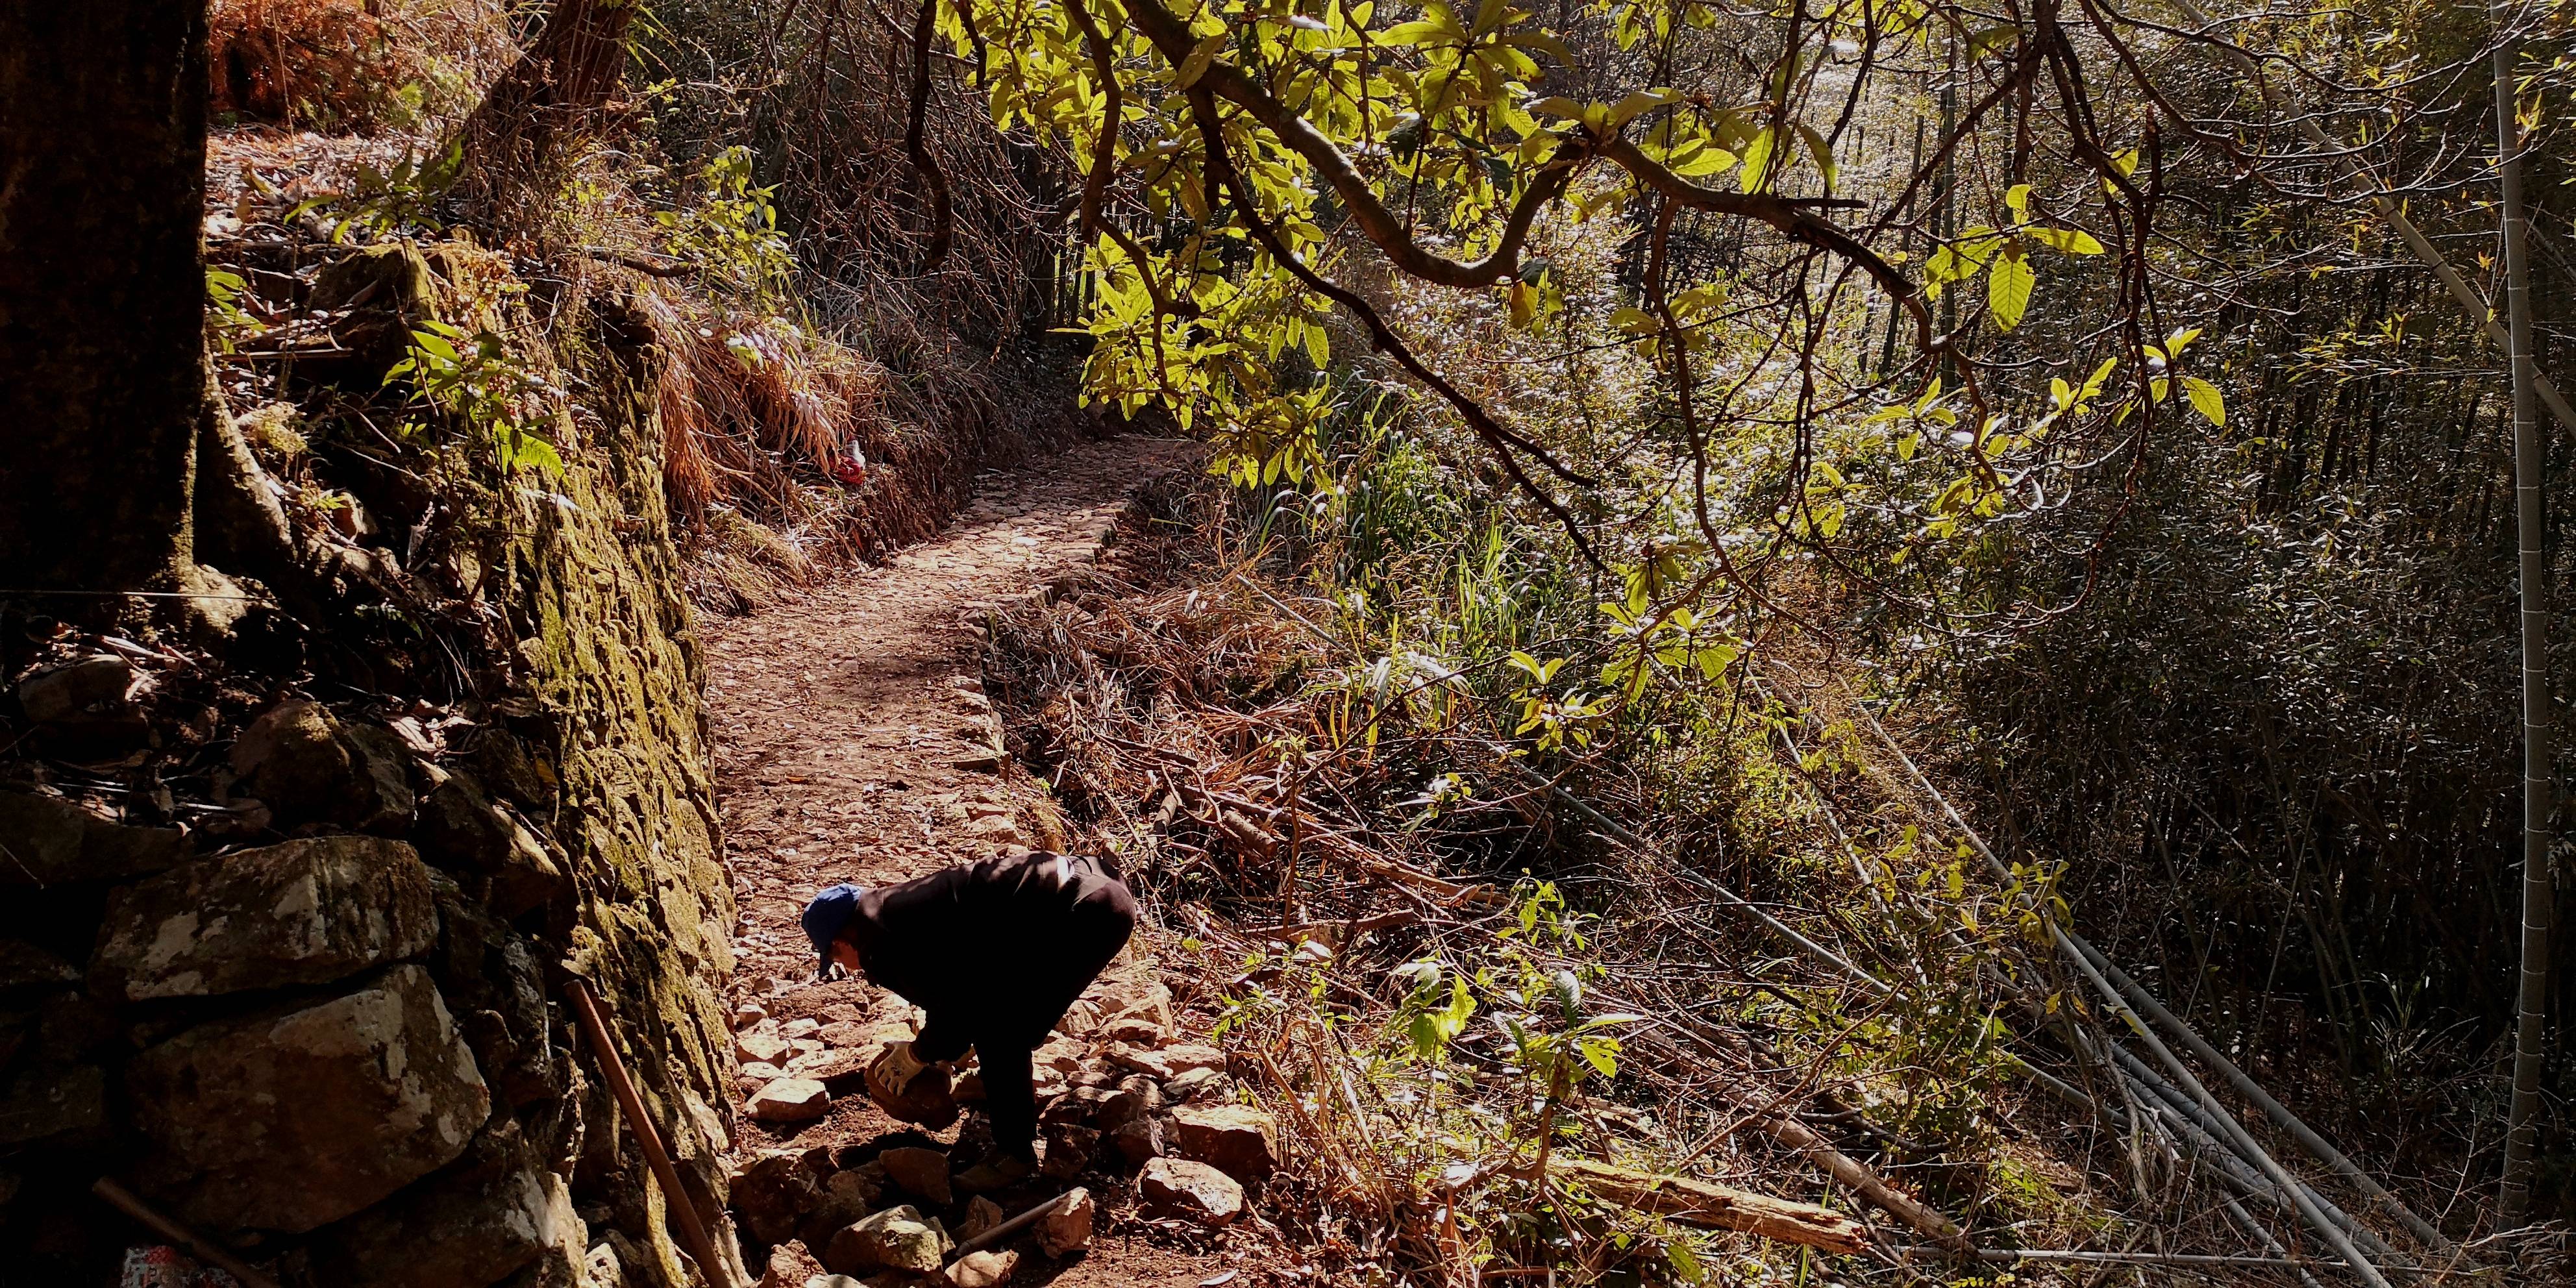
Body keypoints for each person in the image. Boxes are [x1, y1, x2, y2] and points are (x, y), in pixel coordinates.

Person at [802, 848, 1135, 1191]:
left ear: (844, 939)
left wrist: (919, 1053)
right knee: (1004, 1014)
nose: (843, 966)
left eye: (836, 956)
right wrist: (945, 1050)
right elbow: (952, 981)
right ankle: (1005, 1099)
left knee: (1002, 1030)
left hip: (1090, 912)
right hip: (1096, 880)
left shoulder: (887, 945)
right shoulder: (894, 909)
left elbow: (963, 1002)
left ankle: (1014, 1156)